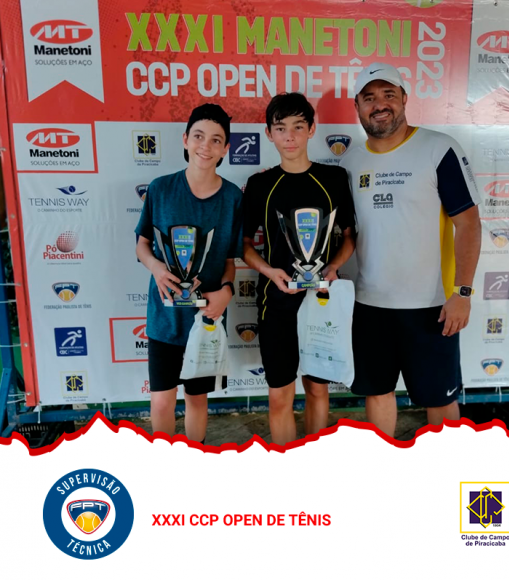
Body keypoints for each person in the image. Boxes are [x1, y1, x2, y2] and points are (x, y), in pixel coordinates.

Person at [340, 62, 482, 437]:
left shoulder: (438, 149)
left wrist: (463, 293)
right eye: (369, 98)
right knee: (377, 392)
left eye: (388, 94)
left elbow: (468, 224)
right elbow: (348, 233)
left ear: (404, 98)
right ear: (357, 106)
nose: (379, 104)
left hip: (432, 307)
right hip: (370, 305)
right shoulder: (350, 162)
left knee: (439, 400)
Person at [243, 92, 356, 445]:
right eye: (281, 128)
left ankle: (314, 465)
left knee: (318, 391)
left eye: (297, 127)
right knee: (280, 397)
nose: (289, 136)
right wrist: (269, 271)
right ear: (269, 133)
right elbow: (243, 246)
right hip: (276, 304)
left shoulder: (334, 179)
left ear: (312, 129)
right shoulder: (260, 185)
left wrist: (334, 267)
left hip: (321, 302)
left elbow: (350, 236)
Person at [135, 104, 243, 442]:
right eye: (198, 136)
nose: (205, 146)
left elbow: (230, 260)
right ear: (185, 139)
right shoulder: (160, 188)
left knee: (197, 399)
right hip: (165, 318)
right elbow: (142, 244)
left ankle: (195, 460)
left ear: (226, 149)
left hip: (206, 319)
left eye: (215, 140)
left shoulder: (232, 197)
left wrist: (226, 292)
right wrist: (156, 268)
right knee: (162, 401)